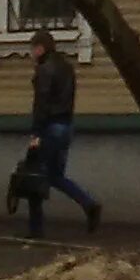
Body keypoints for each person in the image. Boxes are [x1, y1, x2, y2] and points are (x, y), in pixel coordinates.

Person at [24, 28, 101, 238]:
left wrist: (36, 133)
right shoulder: (66, 67)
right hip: (66, 126)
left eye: (33, 49)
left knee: (35, 176)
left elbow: (42, 103)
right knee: (55, 176)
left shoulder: (45, 70)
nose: (31, 53)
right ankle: (88, 203)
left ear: (40, 48)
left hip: (49, 128)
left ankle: (35, 229)